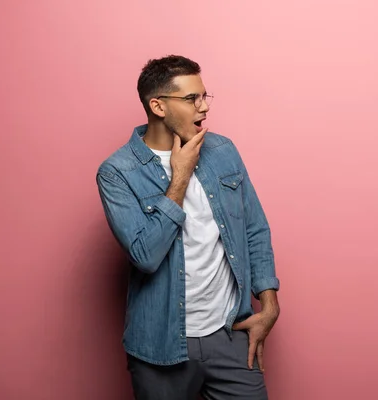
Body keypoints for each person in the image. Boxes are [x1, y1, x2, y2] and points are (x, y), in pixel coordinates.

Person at [96, 55, 280, 400]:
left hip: (230, 335)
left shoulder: (223, 151)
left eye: (204, 97)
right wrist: (179, 176)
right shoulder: (117, 172)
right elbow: (146, 256)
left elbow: (255, 229)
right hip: (161, 345)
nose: (203, 108)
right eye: (191, 99)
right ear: (158, 106)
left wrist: (268, 303)